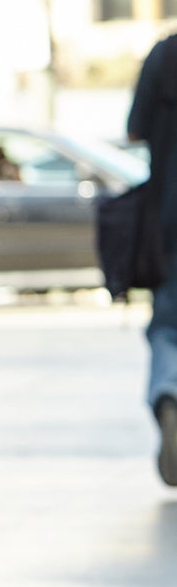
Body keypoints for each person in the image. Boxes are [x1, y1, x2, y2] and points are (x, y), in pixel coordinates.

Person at [126, 35, 177, 485]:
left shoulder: (163, 56)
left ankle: (168, 393)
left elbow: (133, 131)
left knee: (167, 323)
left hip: (168, 215)